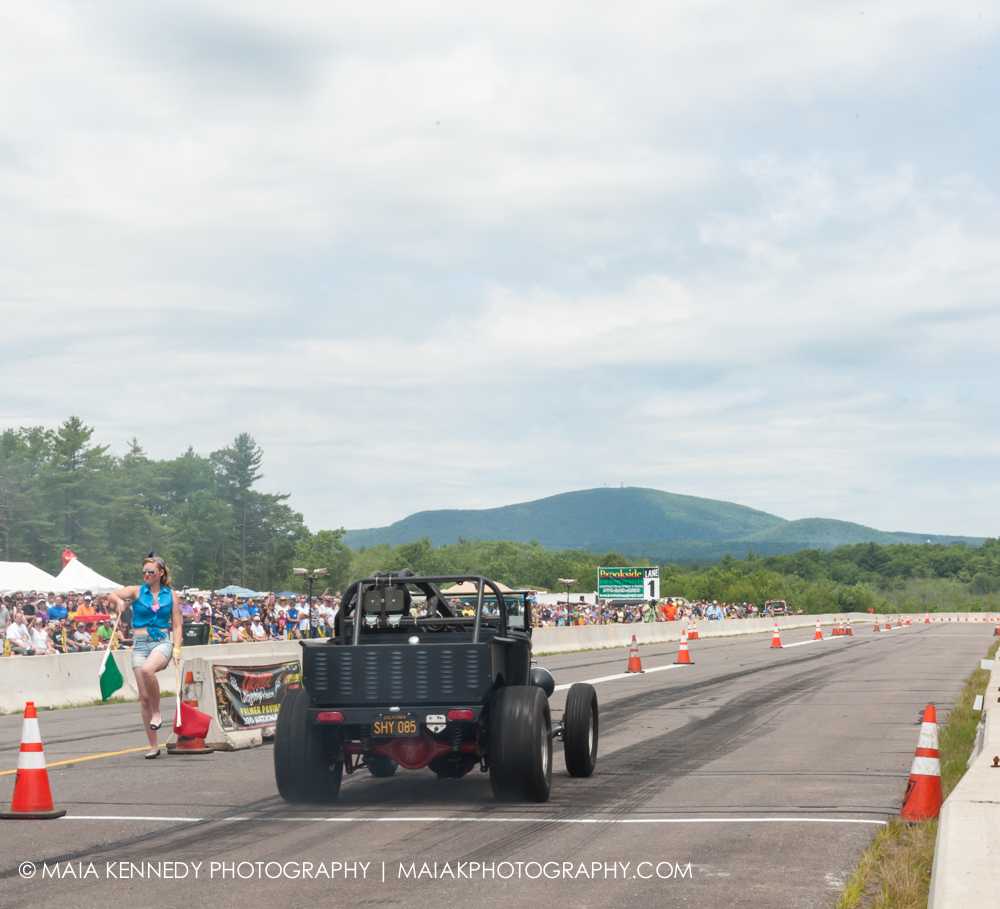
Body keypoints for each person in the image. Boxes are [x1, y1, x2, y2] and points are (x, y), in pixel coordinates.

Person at [108, 555, 182, 759]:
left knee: (148, 670)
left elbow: (177, 625)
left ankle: (157, 713)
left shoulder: (171, 595)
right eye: (144, 572)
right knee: (144, 698)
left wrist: (176, 649)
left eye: (151, 571)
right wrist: (118, 601)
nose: (146, 575)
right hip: (140, 645)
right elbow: (112, 595)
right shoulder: (136, 591)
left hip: (161, 642)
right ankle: (153, 746)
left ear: (161, 573)